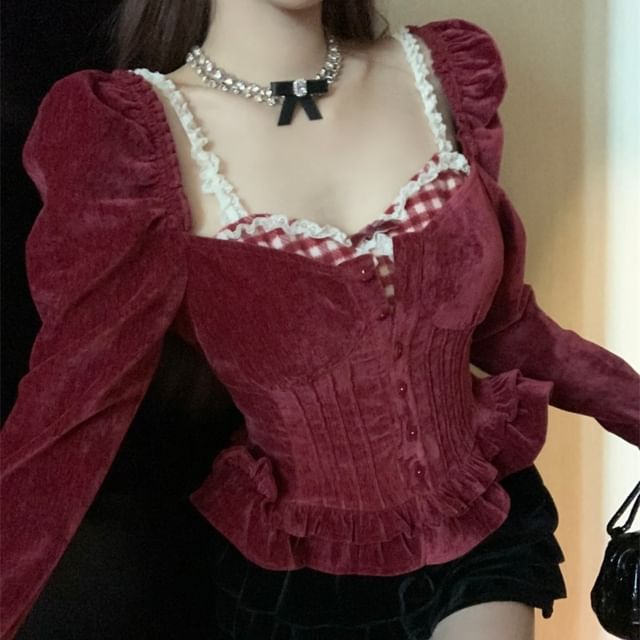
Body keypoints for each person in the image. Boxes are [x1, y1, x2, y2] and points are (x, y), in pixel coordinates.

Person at [2, 1, 639, 638]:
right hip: (296, 576)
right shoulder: (135, 142)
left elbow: (506, 326)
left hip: (475, 530)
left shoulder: (441, 76)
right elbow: (72, 411)